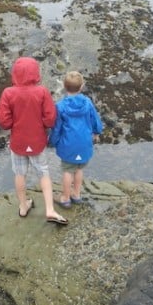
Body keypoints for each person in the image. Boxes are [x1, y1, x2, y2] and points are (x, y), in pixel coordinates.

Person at [0, 57, 69, 225]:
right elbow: (50, 119)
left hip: (18, 142)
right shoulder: (42, 91)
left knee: (20, 173)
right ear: (36, 73)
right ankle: (50, 209)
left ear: (15, 74)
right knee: (43, 173)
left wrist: (14, 123)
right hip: (37, 140)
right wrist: (41, 124)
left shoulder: (8, 93)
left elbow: (4, 122)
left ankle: (23, 206)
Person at [49, 71, 103, 207]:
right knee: (79, 169)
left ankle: (65, 198)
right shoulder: (87, 102)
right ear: (82, 86)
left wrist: (52, 141)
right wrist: (97, 132)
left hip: (68, 145)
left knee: (68, 170)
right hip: (84, 143)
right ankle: (77, 194)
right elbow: (95, 119)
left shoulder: (60, 106)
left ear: (64, 86)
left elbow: (57, 128)